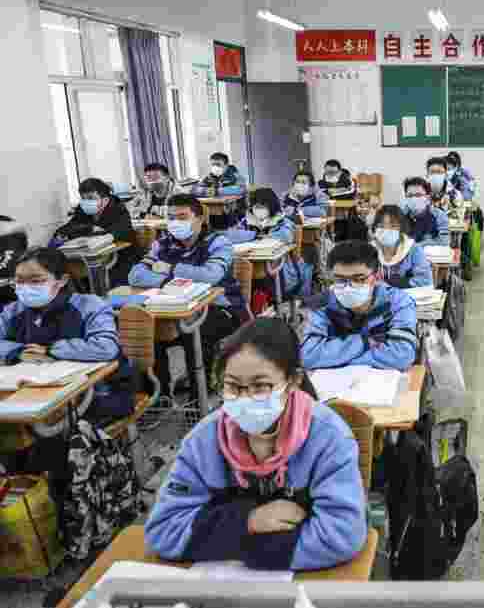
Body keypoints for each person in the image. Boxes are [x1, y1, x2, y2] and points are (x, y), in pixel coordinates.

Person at [145, 318, 367, 571]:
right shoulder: (203, 440)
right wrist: (248, 521)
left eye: (260, 386)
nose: (244, 398)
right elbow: (163, 530)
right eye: (232, 386)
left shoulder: (329, 438)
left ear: (293, 381)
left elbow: (341, 536)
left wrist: (221, 537)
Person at [0, 248, 135, 424]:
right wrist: (17, 351)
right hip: (32, 392)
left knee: (48, 424)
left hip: (97, 393)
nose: (26, 288)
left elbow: (106, 348)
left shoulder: (90, 305)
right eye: (19, 281)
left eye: (36, 281)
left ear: (62, 280)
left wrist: (51, 350)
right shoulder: (14, 311)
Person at [129, 194, 246, 393]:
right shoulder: (162, 244)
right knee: (144, 330)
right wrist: (173, 280)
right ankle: (159, 395)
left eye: (182, 217)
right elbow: (135, 275)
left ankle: (198, 395)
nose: (175, 222)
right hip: (171, 308)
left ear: (199, 219)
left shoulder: (218, 242)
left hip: (220, 307)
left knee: (194, 332)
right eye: (172, 217)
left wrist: (169, 269)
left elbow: (211, 276)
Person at [301, 241, 417, 371]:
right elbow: (308, 356)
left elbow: (402, 356)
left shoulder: (398, 302)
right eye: (340, 279)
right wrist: (363, 342)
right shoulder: (322, 305)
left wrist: (333, 358)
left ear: (376, 277)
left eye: (359, 279)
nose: (348, 287)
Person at [50, 178, 139, 289]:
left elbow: (121, 231)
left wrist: (103, 234)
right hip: (88, 257)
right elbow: (67, 228)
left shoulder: (117, 208)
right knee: (71, 276)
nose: (86, 202)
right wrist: (90, 228)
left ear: (105, 200)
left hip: (121, 258)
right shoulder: (83, 209)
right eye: (83, 198)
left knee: (108, 284)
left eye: (91, 198)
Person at [225, 188, 305, 300]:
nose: (259, 210)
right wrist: (254, 235)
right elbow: (231, 235)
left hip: (277, 265)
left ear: (271, 206)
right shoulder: (246, 221)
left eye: (262, 206)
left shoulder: (282, 220)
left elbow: (286, 235)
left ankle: (270, 300)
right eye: (256, 207)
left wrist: (264, 236)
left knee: (264, 279)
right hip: (250, 259)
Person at [371, 205, 433, 289]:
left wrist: (402, 283)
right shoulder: (370, 249)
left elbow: (425, 281)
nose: (386, 230)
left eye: (393, 226)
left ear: (401, 228)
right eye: (381, 226)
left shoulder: (413, 249)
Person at [401, 177, 449, 247]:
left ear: (427, 197)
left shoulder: (439, 216)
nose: (414, 199)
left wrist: (419, 245)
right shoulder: (400, 216)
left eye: (418, 195)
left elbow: (444, 242)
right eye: (410, 195)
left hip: (431, 256)